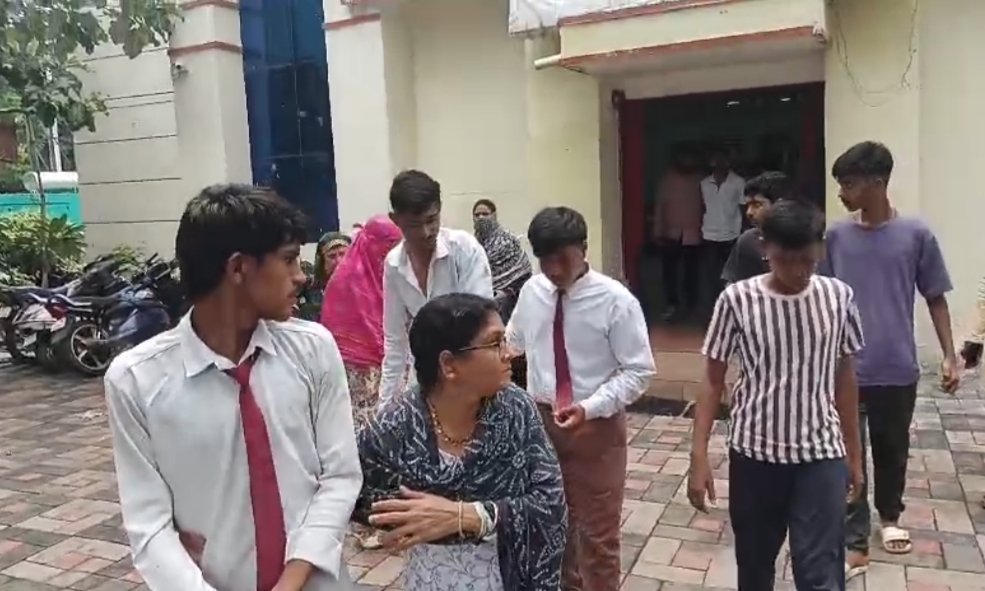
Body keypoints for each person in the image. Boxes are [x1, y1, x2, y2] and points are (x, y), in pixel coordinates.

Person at [104, 185, 362, 591]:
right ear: (238, 268)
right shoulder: (136, 381)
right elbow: (149, 527)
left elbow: (341, 475)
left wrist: (292, 580)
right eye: (289, 259)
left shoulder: (313, 350)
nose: (301, 276)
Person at [689, 200, 865, 591]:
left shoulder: (839, 298)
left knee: (820, 573)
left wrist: (854, 455)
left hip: (820, 454)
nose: (799, 271)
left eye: (808, 260)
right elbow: (713, 379)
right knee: (754, 567)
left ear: (820, 249)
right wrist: (698, 456)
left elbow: (845, 378)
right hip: (755, 454)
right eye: (787, 260)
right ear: (765, 248)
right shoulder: (736, 300)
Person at [355, 293, 567, 591]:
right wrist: (394, 523)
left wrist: (469, 517)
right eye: (495, 343)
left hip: (509, 578)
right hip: (430, 580)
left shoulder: (516, 410)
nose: (509, 353)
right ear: (449, 365)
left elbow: (551, 503)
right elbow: (350, 489)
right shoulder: (398, 424)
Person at [819, 141, 959, 573]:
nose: (841, 193)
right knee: (848, 452)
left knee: (892, 448)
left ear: (877, 183)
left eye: (849, 184)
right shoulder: (836, 237)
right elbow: (820, 298)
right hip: (845, 367)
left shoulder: (916, 235)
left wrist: (950, 355)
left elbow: (935, 296)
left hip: (897, 365)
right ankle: (855, 539)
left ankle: (891, 517)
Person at [506, 206, 656, 591]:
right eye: (545, 260)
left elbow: (639, 371)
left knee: (598, 537)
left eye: (562, 258)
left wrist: (590, 407)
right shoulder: (532, 292)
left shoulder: (616, 301)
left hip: (596, 428)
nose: (553, 269)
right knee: (552, 528)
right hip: (541, 426)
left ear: (584, 248)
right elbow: (512, 343)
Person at [380, 170, 494, 406]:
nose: (425, 232)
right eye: (414, 225)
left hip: (471, 380)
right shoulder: (394, 265)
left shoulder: (465, 249)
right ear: (395, 220)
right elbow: (395, 343)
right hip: (425, 384)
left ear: (440, 209)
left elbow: (481, 323)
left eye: (431, 220)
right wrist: (385, 404)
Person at [320, 215, 403, 428]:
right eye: (388, 245)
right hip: (353, 370)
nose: (392, 253)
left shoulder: (390, 273)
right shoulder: (347, 280)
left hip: (390, 368)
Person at [652, 152, 703, 320]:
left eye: (690, 158)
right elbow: (660, 206)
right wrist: (658, 230)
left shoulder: (699, 180)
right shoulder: (668, 180)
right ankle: (672, 304)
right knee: (670, 272)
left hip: (693, 233)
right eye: (684, 158)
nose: (687, 161)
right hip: (671, 233)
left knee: (692, 272)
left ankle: (691, 305)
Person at [721, 171, 793, 285]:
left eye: (757, 205)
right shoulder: (748, 241)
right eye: (748, 205)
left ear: (780, 204)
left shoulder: (807, 239)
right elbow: (732, 283)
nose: (749, 212)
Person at [472, 203, 532, 321]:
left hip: (512, 303)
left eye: (485, 214)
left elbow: (522, 272)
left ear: (494, 215)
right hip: (484, 302)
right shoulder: (472, 244)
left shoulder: (507, 241)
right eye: (477, 215)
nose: (481, 218)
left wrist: (504, 293)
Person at [700, 147, 746, 304]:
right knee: (711, 274)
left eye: (723, 159)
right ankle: (715, 304)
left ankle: (731, 303)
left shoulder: (738, 182)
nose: (719, 163)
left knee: (731, 274)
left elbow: (743, 207)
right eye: (716, 159)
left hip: (731, 234)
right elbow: (702, 207)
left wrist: (743, 231)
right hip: (709, 234)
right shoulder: (704, 183)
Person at [298, 232, 351, 320]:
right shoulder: (309, 287)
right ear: (322, 261)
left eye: (343, 254)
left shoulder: (361, 288)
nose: (339, 261)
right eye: (332, 256)